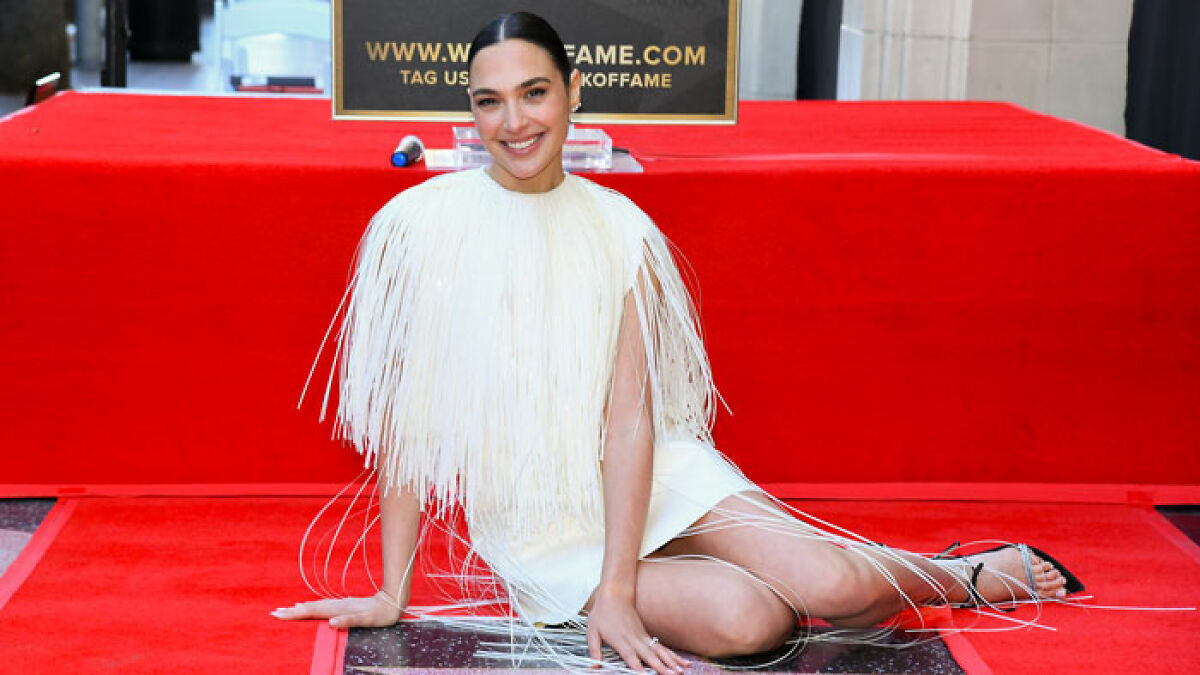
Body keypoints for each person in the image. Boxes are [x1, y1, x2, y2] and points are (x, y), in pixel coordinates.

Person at [273, 11, 1078, 673]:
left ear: (573, 93)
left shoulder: (622, 230)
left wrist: (620, 587)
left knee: (833, 578)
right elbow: (413, 430)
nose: (514, 122)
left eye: (534, 93)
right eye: (490, 102)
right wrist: (391, 591)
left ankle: (962, 573)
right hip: (546, 528)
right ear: (470, 111)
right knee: (747, 619)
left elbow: (631, 425)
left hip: (659, 479)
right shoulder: (417, 227)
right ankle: (768, 576)